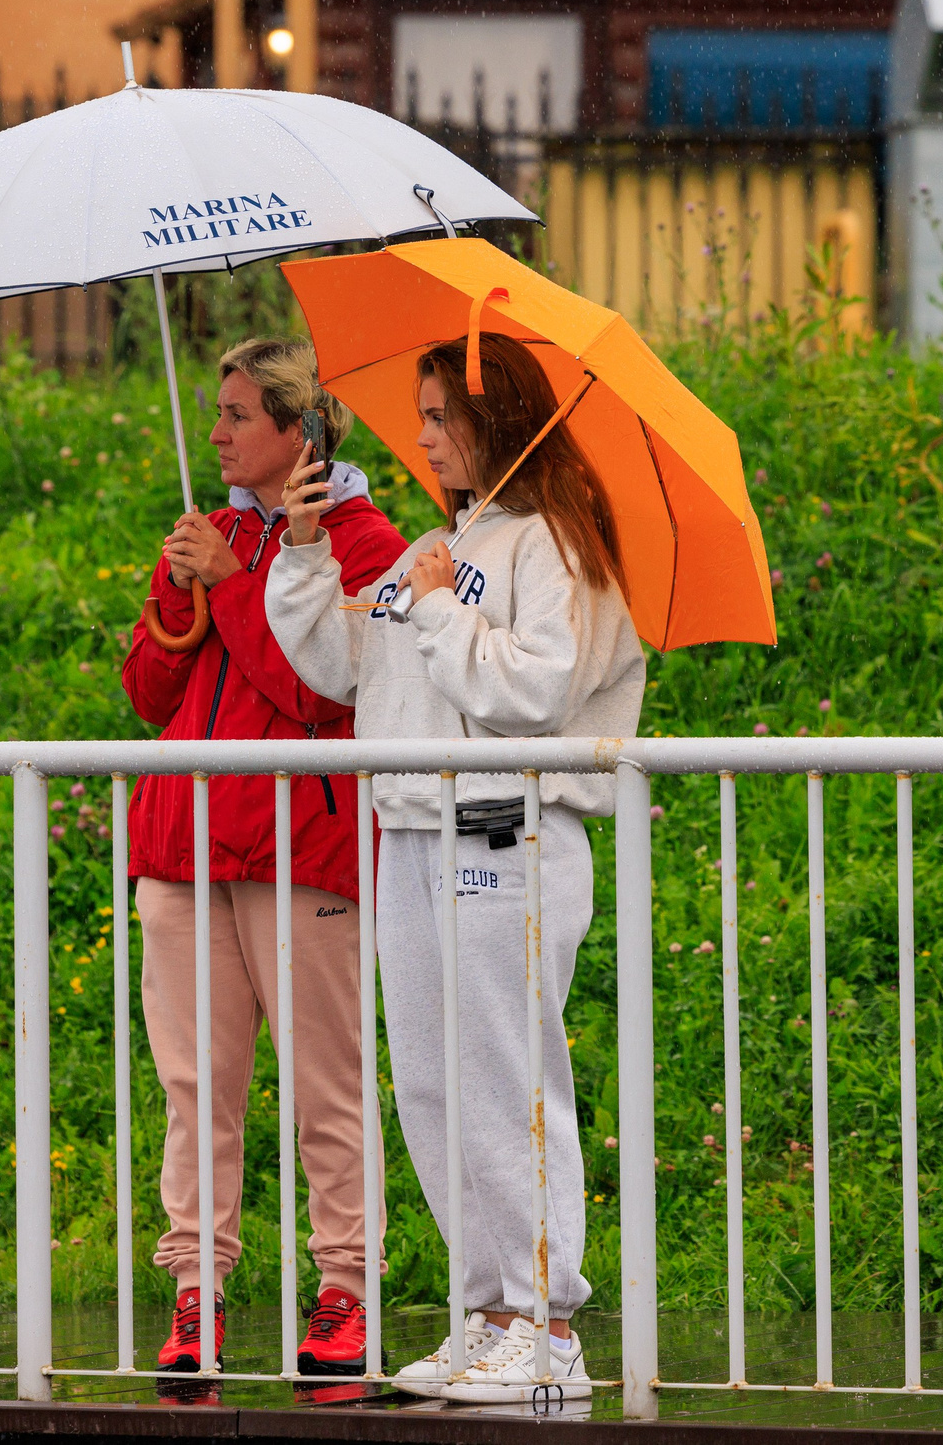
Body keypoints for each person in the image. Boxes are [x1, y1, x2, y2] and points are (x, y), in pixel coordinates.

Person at [262, 330, 643, 1403]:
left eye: (442, 418)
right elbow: (345, 668)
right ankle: (487, 1314)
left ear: (497, 421)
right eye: (423, 418)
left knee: (505, 1071)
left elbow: (531, 695)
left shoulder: (560, 546)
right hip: (413, 830)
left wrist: (436, 603)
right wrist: (302, 555)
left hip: (508, 829)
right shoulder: (432, 544)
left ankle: (546, 1324)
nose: (423, 439)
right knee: (430, 1077)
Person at [120, 338, 409, 1376]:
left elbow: (325, 692)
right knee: (194, 1086)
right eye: (216, 410)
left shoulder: (368, 541)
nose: (216, 431)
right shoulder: (209, 534)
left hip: (302, 845)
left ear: (299, 429)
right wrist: (179, 597)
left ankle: (346, 1290)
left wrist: (240, 581)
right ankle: (196, 1291)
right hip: (182, 841)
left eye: (238, 414)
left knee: (325, 1082)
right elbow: (151, 695)